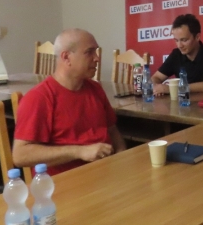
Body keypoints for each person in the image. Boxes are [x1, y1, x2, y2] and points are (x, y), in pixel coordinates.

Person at [13, 29, 126, 176]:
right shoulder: (39, 98)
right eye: (89, 52)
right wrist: (79, 151)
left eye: (96, 52)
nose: (97, 58)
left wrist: (121, 158)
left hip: (103, 174)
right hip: (63, 183)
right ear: (66, 57)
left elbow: (112, 130)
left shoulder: (96, 89)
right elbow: (20, 155)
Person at [151, 14, 203, 95]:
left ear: (197, 37)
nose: (179, 45)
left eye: (184, 40)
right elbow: (156, 77)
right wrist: (156, 87)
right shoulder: (176, 54)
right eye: (176, 40)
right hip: (182, 101)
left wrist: (174, 89)